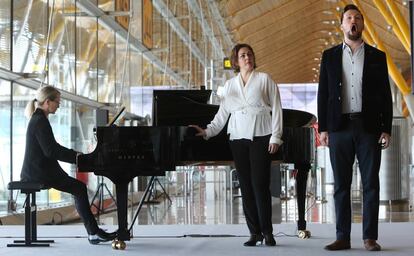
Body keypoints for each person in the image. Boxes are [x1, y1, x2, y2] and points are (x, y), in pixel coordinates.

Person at [190, 43, 283, 246]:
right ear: (236, 61)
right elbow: (222, 114)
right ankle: (254, 233)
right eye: (242, 55)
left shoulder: (264, 79)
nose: (247, 57)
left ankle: (267, 232)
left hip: (261, 135)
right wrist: (207, 132)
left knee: (260, 185)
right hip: (237, 138)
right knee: (246, 186)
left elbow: (277, 107)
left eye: (249, 54)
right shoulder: (230, 85)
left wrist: (276, 137)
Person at [317, 4, 392, 251]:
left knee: (371, 183)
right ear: (342, 25)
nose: (353, 22)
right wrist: (324, 128)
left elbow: (385, 94)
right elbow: (324, 94)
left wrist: (386, 128)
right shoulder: (329, 56)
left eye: (358, 18)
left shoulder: (377, 56)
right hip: (339, 128)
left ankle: (369, 237)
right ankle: (342, 237)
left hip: (368, 127)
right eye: (349, 18)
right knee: (341, 184)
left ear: (362, 25)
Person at [21, 86, 117, 244]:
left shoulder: (39, 119)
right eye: (57, 102)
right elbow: (51, 151)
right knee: (79, 188)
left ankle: (94, 232)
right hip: (38, 172)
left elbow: (51, 149)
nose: (59, 105)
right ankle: (93, 232)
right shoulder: (39, 121)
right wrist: (76, 156)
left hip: (41, 170)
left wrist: (76, 156)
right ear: (47, 102)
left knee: (78, 188)